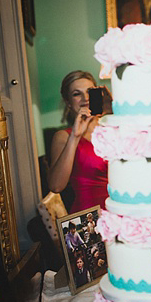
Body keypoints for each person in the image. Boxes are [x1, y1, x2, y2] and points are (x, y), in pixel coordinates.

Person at [47, 71, 108, 213]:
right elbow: (56, 186)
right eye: (76, 94)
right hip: (91, 217)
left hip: (121, 211)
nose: (85, 98)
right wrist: (75, 136)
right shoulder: (63, 136)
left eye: (89, 92)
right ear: (68, 102)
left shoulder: (112, 127)